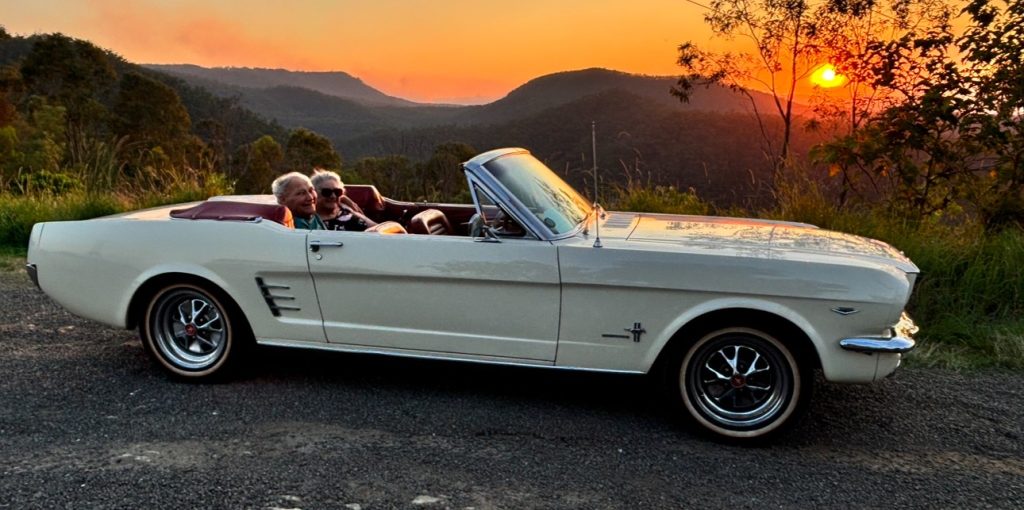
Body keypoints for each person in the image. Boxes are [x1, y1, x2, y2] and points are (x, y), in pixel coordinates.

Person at [310, 169, 377, 231]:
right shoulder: (307, 218)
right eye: (327, 192)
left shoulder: (346, 209)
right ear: (314, 193)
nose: (333, 196)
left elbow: (378, 229)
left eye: (337, 192)